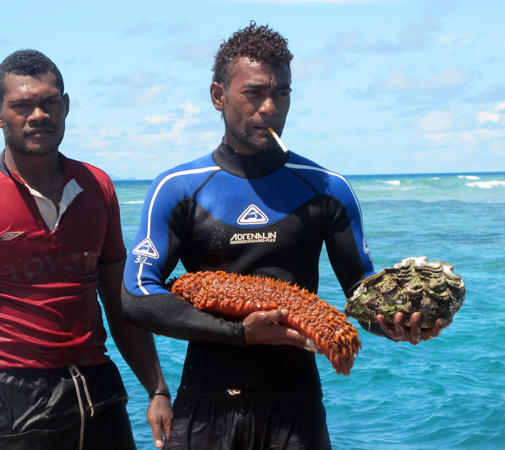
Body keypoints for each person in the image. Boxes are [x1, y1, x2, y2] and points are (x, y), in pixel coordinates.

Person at [121, 22, 449, 450]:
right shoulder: (180, 187)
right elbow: (136, 297)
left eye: (283, 93)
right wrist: (240, 334)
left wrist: (401, 324)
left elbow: (362, 295)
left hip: (297, 411)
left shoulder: (327, 188)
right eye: (254, 93)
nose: (270, 107)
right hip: (205, 406)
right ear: (218, 96)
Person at [0, 50, 172, 450]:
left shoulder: (97, 187)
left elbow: (118, 300)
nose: (38, 114)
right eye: (21, 105)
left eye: (49, 102)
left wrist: (156, 387)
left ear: (66, 106)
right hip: (10, 400)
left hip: (98, 391)